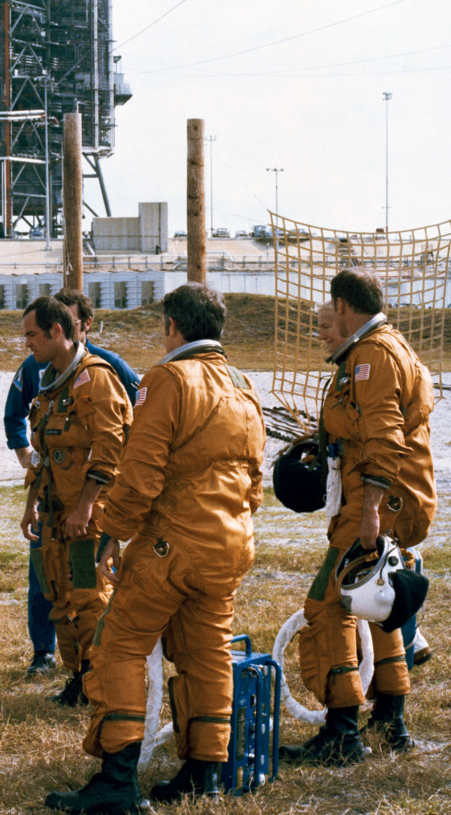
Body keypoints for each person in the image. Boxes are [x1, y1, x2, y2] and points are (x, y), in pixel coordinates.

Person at [45, 283, 265, 813]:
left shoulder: (168, 379)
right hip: (229, 543)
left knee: (118, 645)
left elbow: (141, 471)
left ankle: (118, 779)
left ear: (173, 327)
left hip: (172, 544)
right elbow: (254, 477)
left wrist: (112, 533)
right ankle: (206, 770)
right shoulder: (242, 384)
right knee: (207, 654)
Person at [282, 269, 436, 766]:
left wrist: (370, 511)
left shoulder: (373, 355)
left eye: (332, 309)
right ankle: (391, 716)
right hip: (385, 498)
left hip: (379, 503)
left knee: (329, 605)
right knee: (376, 603)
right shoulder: (384, 348)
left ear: (344, 305)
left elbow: (385, 439)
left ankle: (342, 731)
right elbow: (366, 427)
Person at [5, 289, 139, 682]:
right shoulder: (48, 384)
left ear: (56, 331)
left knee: (90, 594)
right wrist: (31, 502)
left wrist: (84, 508)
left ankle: (102, 678)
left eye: (31, 334)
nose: (26, 342)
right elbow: (43, 452)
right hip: (55, 514)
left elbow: (111, 448)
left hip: (86, 516)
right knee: (60, 596)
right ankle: (78, 676)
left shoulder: (95, 378)